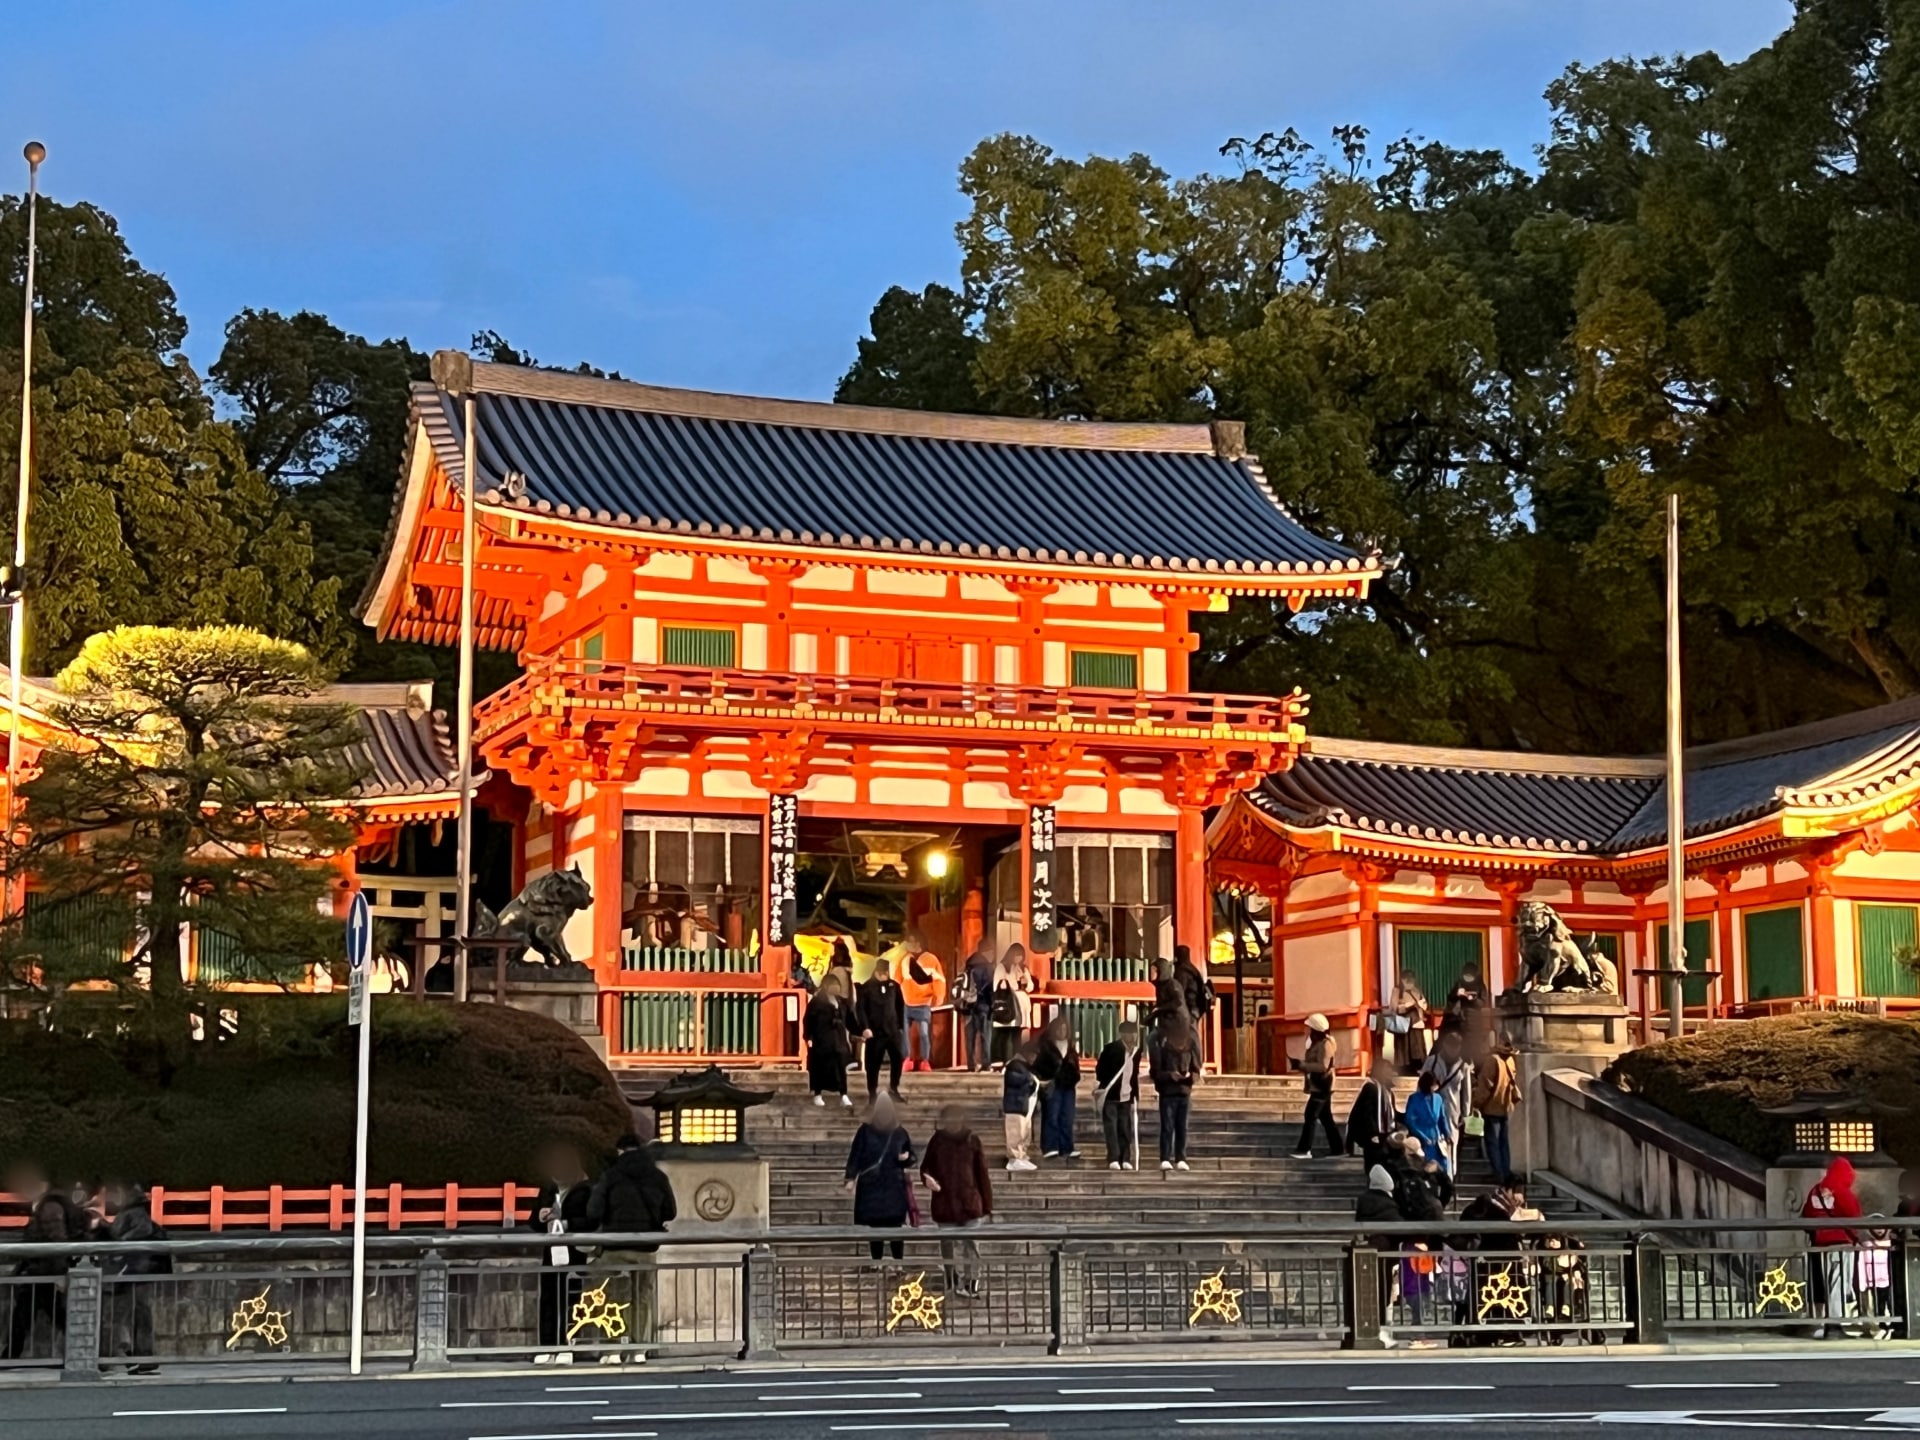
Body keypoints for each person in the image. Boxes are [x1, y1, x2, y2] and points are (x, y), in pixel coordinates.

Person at [586, 1131, 679, 1359]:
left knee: (612, 1298)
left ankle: (613, 1348)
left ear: (620, 1151)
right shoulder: (657, 1176)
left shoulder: (611, 1176)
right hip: (646, 1246)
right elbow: (670, 1211)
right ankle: (639, 1349)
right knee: (642, 1298)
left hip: (615, 1245)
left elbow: (593, 1211)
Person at [1, 1163, 81, 1362]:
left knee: (40, 1315)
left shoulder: (50, 1208)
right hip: (45, 1272)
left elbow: (52, 1240)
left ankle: (11, 1355)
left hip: (43, 1272)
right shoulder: (59, 1206)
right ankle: (11, 1354)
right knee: (50, 1316)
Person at [528, 1145, 592, 1366]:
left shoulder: (585, 1189)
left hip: (574, 1253)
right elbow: (533, 1222)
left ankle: (568, 1345)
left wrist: (566, 1222)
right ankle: (546, 1346)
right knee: (548, 1299)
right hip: (550, 1253)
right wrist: (541, 1216)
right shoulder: (547, 1190)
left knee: (571, 1300)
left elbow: (590, 1221)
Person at [920, 1104, 993, 1296]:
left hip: (969, 1202)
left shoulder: (972, 1141)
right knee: (947, 1245)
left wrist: (987, 1205)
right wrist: (927, 1179)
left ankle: (972, 1282)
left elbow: (982, 1174)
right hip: (945, 1202)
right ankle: (951, 1278)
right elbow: (926, 1167)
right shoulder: (937, 1141)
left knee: (972, 1245)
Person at [102, 1181, 168, 1374]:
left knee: (124, 1315)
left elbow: (139, 1233)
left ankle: (130, 1356)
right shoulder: (134, 1212)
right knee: (135, 1315)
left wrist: (115, 1239)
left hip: (133, 1271)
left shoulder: (134, 1213)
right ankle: (137, 1357)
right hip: (134, 1271)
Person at [844, 1093, 916, 1262]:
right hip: (872, 1185)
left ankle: (898, 1260)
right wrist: (850, 1178)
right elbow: (855, 1156)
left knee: (895, 1227)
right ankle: (877, 1260)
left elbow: (912, 1156)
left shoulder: (899, 1132)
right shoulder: (865, 1131)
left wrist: (907, 1158)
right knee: (875, 1226)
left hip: (893, 1185)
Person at [1803, 1154, 1863, 1336]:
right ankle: (1835, 1325)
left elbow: (1806, 1214)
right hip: (1840, 1243)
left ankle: (1823, 1322)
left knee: (1824, 1282)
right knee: (1838, 1283)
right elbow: (1855, 1216)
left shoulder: (1815, 1190)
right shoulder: (1841, 1191)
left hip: (1820, 1243)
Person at [1419, 1025, 1474, 1175]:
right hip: (1431, 1110)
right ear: (1444, 1045)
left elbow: (1466, 1092)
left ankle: (1449, 1178)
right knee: (1432, 1147)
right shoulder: (1432, 1061)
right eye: (1451, 1046)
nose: (1453, 1050)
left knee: (1451, 1147)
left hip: (1452, 1111)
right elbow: (1421, 1084)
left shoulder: (1463, 1066)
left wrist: (1465, 1113)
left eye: (1456, 1047)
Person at [1151, 1013, 1200, 1172]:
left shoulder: (1190, 1043)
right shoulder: (1162, 1043)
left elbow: (1196, 1068)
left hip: (1184, 1090)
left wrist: (1191, 1076)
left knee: (1182, 1127)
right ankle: (1165, 1157)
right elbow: (1156, 1071)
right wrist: (1169, 1075)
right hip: (1168, 1091)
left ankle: (1181, 1157)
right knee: (1167, 1126)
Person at [1291, 1012, 1342, 1160]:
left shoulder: (1326, 1044)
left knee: (1310, 1116)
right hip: (1318, 1085)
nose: (1306, 1030)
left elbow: (1322, 1066)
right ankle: (1338, 1149)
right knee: (1326, 1118)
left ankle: (1304, 1149)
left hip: (1323, 1086)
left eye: (1309, 1028)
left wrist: (1303, 1065)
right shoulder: (1316, 1043)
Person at [1094, 1020, 1144, 1170]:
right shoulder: (1111, 1049)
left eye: (1134, 1033)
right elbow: (1100, 1071)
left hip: (1126, 1094)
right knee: (1112, 1127)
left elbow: (1133, 1074)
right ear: (1123, 1034)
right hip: (1111, 1095)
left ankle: (1125, 1158)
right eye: (1130, 1033)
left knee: (1125, 1128)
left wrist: (1135, 1093)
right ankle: (1113, 1158)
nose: (1133, 1036)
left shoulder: (1136, 1052)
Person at [856, 957, 908, 1100]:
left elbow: (900, 1006)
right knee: (873, 1063)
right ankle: (872, 1092)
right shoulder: (866, 987)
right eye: (882, 973)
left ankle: (894, 1088)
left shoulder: (894, 986)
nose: (884, 975)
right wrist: (865, 1027)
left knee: (898, 1058)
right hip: (875, 1031)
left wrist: (900, 1026)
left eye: (886, 973)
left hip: (892, 1030)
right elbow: (861, 1009)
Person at [1033, 1014, 1083, 1160]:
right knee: (1051, 1116)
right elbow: (1038, 1066)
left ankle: (1066, 1147)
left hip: (1068, 1086)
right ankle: (1050, 1146)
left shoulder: (1071, 1048)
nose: (1062, 1031)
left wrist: (1074, 1076)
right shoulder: (1045, 1047)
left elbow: (1075, 1067)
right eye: (1059, 1028)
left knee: (1067, 1116)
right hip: (1053, 1084)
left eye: (1064, 1028)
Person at [896, 933, 948, 1073]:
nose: (909, 945)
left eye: (911, 942)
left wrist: (938, 996)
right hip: (906, 1001)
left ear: (918, 943)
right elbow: (897, 980)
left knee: (924, 1033)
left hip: (924, 1002)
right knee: (904, 1034)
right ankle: (907, 1059)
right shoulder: (905, 960)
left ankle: (925, 1060)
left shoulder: (931, 959)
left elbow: (939, 980)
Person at [1472, 1035, 1521, 1181]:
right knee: (1503, 1142)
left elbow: (1485, 1085)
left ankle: (1499, 1173)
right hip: (1505, 1105)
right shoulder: (1510, 1060)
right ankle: (1505, 1171)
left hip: (1491, 1105)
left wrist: (1476, 1103)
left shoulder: (1492, 1060)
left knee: (1493, 1142)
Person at [804, 971, 855, 1107]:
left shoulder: (842, 1002)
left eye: (837, 985)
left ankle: (843, 1094)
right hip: (822, 1040)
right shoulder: (817, 1002)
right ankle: (817, 1094)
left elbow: (850, 1020)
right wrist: (809, 1036)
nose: (836, 988)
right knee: (820, 1068)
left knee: (840, 1069)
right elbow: (808, 1021)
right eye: (833, 985)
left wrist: (860, 1030)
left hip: (838, 1040)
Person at [989, 943, 1034, 1069]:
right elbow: (997, 986)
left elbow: (1030, 987)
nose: (1018, 958)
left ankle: (1016, 1060)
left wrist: (1025, 978)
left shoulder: (1023, 969)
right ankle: (1000, 1060)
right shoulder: (1002, 967)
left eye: (1021, 956)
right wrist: (1009, 984)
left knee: (1017, 1034)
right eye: (1016, 955)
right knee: (1004, 1034)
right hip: (1008, 1003)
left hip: (1022, 1004)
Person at [1345, 1071, 1397, 1171]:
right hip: (1372, 1134)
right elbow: (1366, 1112)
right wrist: (1373, 1133)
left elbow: (1393, 1112)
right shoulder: (1371, 1088)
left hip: (1385, 1133)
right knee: (1374, 1163)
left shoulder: (1388, 1092)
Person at [1001, 1042, 1040, 1172]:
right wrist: (1029, 1080)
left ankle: (1022, 1156)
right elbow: (1014, 1080)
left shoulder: (1025, 1067)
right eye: (1033, 1055)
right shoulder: (1014, 1065)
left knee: (1024, 1133)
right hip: (1014, 1105)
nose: (1034, 1058)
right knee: (1015, 1133)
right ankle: (1014, 1158)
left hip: (1023, 1105)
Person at [956, 944, 995, 1072]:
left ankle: (971, 1064)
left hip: (968, 1005)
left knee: (970, 1036)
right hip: (983, 1005)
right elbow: (990, 988)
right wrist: (992, 1005)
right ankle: (986, 1063)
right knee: (985, 1036)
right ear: (987, 951)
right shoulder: (987, 967)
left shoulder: (968, 965)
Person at [1404, 1071, 1451, 1173]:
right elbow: (1409, 1120)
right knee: (1424, 1167)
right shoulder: (1414, 1099)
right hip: (1422, 1138)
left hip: (1437, 1139)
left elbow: (1442, 1118)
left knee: (1442, 1167)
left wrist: (1447, 1133)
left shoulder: (1438, 1098)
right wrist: (1422, 1136)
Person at [1173, 943, 1214, 1053]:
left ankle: (1194, 1065)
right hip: (1196, 1008)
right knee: (1192, 1036)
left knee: (1190, 1037)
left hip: (1187, 1008)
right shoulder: (1193, 970)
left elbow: (1179, 990)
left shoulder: (1182, 971)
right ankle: (1192, 1064)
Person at [1858, 1217, 1895, 1339]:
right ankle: (1879, 1327)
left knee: (1890, 1303)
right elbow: (1862, 1265)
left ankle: (1890, 1326)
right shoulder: (1866, 1246)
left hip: (1889, 1281)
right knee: (1875, 1305)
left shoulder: (1892, 1246)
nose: (1879, 1230)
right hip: (1873, 1282)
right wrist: (1863, 1283)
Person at [1389, 970, 1431, 1072]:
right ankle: (1403, 1067)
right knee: (1404, 1047)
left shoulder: (1417, 991)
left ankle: (1417, 1065)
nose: (1409, 981)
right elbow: (1393, 1008)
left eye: (1411, 978)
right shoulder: (1397, 991)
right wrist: (1406, 1006)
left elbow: (1424, 1004)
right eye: (1406, 978)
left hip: (1416, 1022)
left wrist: (1421, 1005)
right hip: (1403, 1022)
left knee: (1417, 1045)